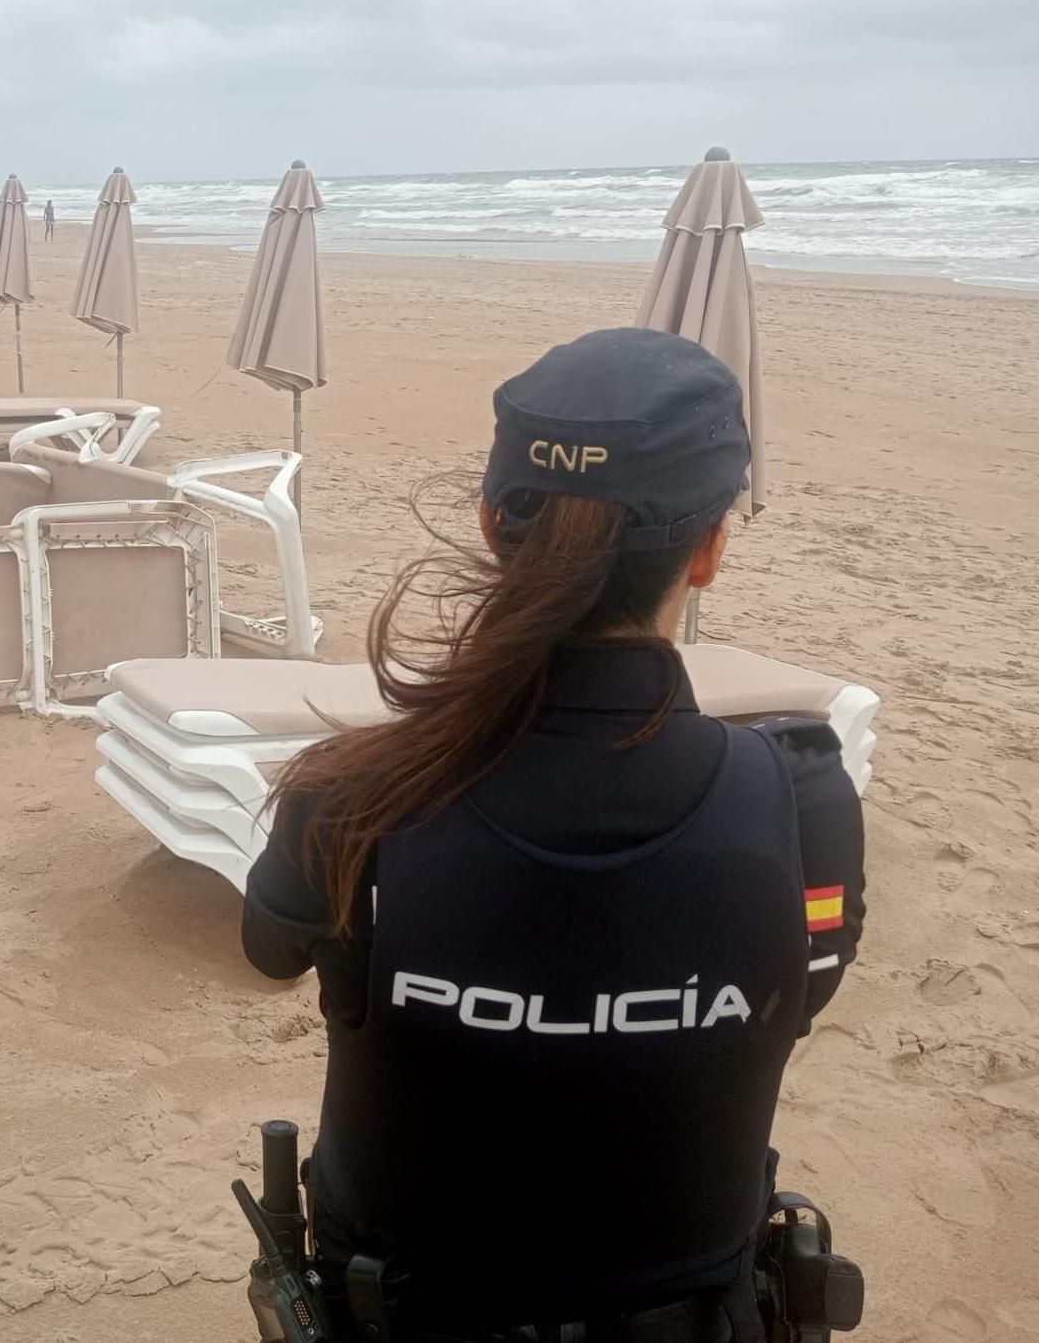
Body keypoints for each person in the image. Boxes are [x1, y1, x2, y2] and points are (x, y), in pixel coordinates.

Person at [243, 329, 865, 1342]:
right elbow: (793, 999)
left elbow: (267, 950)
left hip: (397, 1309)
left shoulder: (354, 795)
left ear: (492, 522)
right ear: (708, 549)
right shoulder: (798, 799)